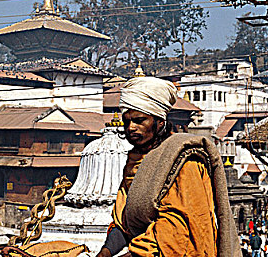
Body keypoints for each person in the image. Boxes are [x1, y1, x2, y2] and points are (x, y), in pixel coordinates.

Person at [96, 77, 240, 257]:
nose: (131, 128)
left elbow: (178, 229)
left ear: (160, 122)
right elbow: (123, 220)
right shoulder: (134, 161)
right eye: (127, 122)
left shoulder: (184, 160)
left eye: (140, 121)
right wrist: (106, 252)